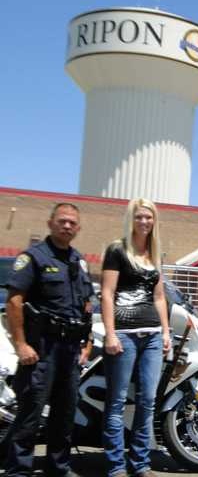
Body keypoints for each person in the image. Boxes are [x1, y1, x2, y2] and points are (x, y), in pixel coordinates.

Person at [3, 203, 94, 477]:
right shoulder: (33, 258)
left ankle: (58, 469)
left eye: (72, 223)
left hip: (70, 350)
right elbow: (14, 302)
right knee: (30, 415)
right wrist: (21, 345)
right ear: (50, 223)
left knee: (64, 416)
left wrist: (87, 343)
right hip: (42, 348)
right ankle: (18, 471)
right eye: (62, 220)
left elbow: (86, 305)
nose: (67, 226)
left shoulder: (79, 261)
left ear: (78, 228)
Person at [101, 198, 171, 477]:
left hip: (152, 336)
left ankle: (140, 464)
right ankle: (116, 467)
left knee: (147, 401)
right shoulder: (117, 250)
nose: (144, 221)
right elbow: (107, 293)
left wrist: (165, 331)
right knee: (116, 402)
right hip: (123, 335)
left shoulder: (155, 254)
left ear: (155, 221)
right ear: (131, 219)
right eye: (139, 216)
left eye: (149, 217)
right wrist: (110, 333)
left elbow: (159, 297)